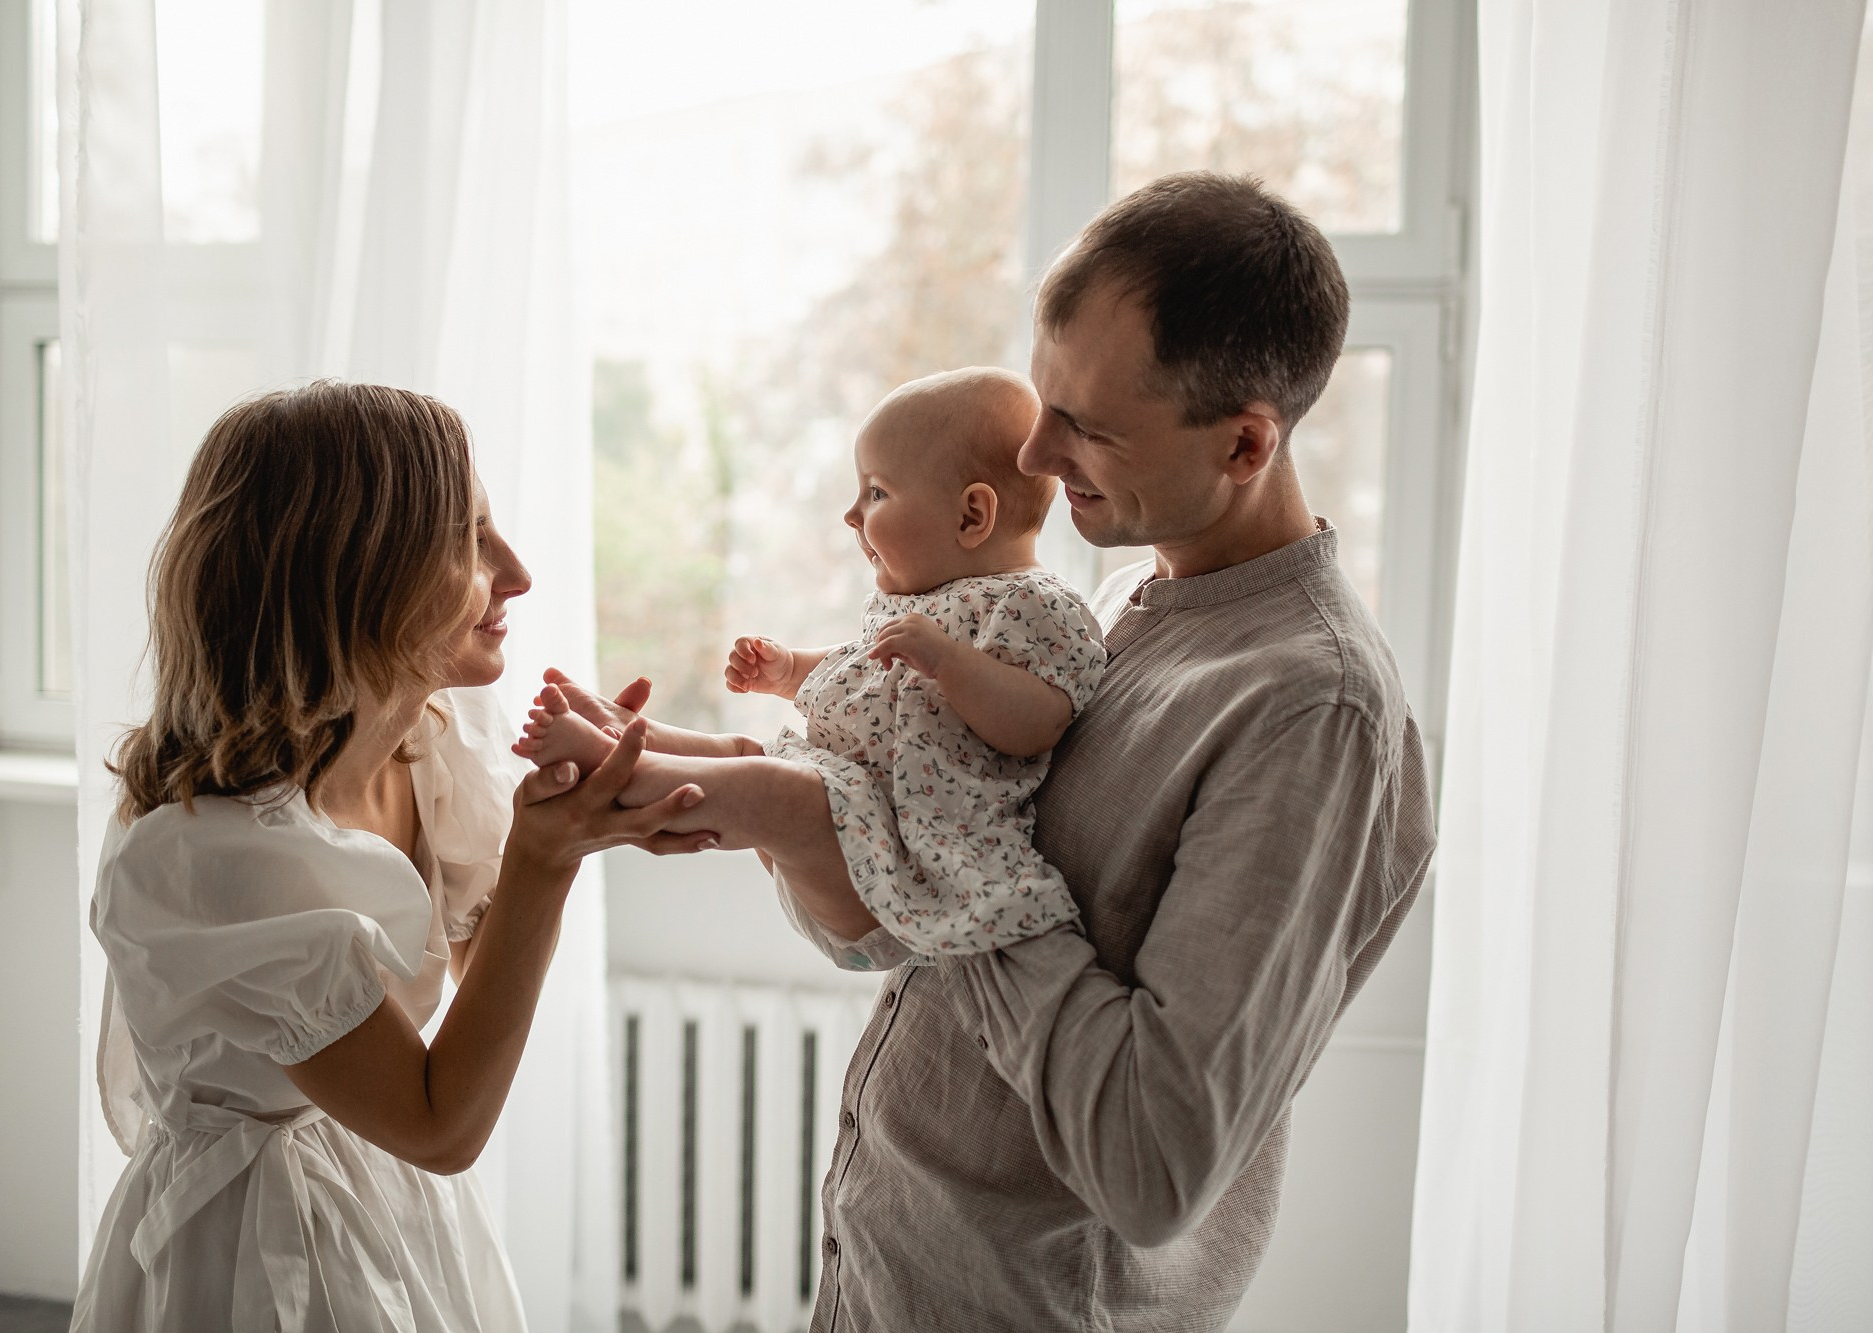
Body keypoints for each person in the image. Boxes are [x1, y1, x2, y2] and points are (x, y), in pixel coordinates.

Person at [549, 171, 1438, 1332]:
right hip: (882, 1281)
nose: (1031, 460)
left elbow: (1150, 1159)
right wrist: (801, 821)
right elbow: (888, 931)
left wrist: (955, 877)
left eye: (1088, 429)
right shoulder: (1113, 607)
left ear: (1243, 443)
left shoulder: (1310, 710)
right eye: (1043, 403)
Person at [70, 382, 708, 1331]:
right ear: (357, 571)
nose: (518, 572)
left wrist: (594, 799)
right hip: (257, 1248)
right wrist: (544, 860)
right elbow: (440, 1122)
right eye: (471, 539)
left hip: (387, 1198)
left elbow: (474, 969)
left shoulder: (435, 743)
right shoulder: (215, 856)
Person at [516, 366, 1106, 956]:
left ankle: (617, 773)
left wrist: (948, 662)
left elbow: (1039, 723)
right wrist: (790, 671)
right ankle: (627, 737)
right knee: (747, 755)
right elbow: (866, 666)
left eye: (876, 493)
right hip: (850, 817)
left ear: (972, 516)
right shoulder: (924, 603)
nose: (852, 515)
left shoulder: (1035, 606)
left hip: (910, 863)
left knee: (776, 788)